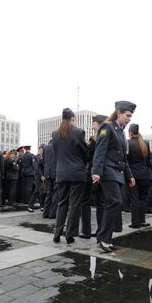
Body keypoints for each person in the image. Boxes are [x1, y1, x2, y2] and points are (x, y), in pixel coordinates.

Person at [92, 101, 136, 253]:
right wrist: (96, 171)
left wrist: (130, 175)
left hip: (119, 172)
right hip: (108, 171)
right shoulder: (107, 127)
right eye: (127, 115)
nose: (129, 118)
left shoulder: (121, 131)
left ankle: (106, 239)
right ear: (119, 113)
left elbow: (124, 157)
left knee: (115, 204)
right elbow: (100, 150)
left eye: (131, 116)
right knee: (115, 202)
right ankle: (103, 238)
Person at [52, 108, 89, 243]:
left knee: (62, 203)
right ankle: (69, 234)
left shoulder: (55, 134)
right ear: (73, 118)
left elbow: (57, 153)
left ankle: (57, 233)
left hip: (61, 173)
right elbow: (86, 153)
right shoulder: (78, 132)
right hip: (76, 173)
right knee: (74, 204)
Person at [127, 123, 152, 229]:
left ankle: (135, 222)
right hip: (144, 174)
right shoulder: (145, 143)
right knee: (143, 198)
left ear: (130, 132)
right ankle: (142, 221)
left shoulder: (128, 143)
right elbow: (148, 161)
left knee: (134, 198)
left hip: (132, 175)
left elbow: (126, 161)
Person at [42, 140, 58, 219]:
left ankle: (45, 213)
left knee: (49, 193)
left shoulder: (45, 148)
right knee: (55, 193)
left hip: (47, 172)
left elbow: (44, 160)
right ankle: (52, 214)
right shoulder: (57, 146)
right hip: (55, 172)